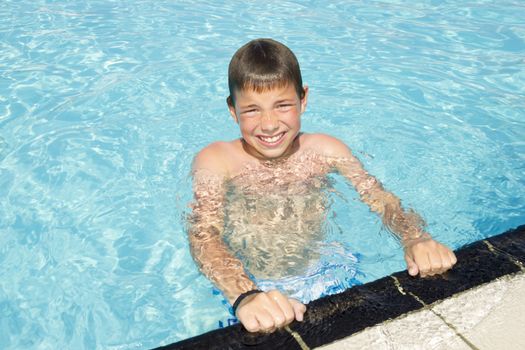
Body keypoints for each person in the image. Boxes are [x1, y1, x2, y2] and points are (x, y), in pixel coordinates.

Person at [187, 38, 457, 334]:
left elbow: (380, 199)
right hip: (247, 284)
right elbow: (204, 233)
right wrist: (243, 294)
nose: (268, 124)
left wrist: (414, 237)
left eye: (283, 105)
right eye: (252, 110)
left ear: (303, 99)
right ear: (232, 109)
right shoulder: (217, 160)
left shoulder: (326, 150)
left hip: (325, 271)